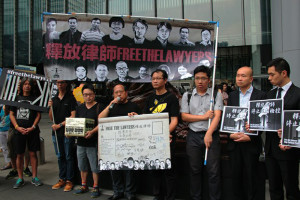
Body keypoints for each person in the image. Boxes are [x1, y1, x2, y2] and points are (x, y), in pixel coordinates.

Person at [181, 66, 223, 200]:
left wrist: (209, 133)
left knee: (213, 171)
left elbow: (217, 116)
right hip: (193, 135)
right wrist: (204, 117)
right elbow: (185, 117)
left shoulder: (216, 94)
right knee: (194, 170)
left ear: (209, 80)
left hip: (211, 135)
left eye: (203, 78)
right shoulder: (187, 95)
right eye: (197, 78)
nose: (200, 81)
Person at [227, 66, 265, 200]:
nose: (239, 78)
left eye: (243, 76)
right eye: (238, 75)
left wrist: (253, 133)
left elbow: (265, 120)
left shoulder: (260, 95)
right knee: (236, 178)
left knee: (251, 178)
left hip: (251, 143)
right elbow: (228, 119)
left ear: (251, 79)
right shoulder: (232, 95)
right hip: (235, 142)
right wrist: (230, 134)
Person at [264, 58, 300, 200]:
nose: (269, 78)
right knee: (274, 188)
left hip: (289, 149)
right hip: (271, 149)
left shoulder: (297, 94)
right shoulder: (270, 95)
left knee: (291, 188)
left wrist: (291, 138)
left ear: (283, 73)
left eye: (272, 74)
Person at [98, 84, 141, 200]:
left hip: (130, 143)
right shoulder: (112, 107)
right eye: (116, 92)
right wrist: (110, 105)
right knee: (115, 169)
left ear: (126, 93)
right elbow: (100, 119)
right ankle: (118, 192)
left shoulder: (133, 106)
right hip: (114, 144)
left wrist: (135, 117)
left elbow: (141, 123)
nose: (118, 94)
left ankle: (130, 193)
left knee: (129, 170)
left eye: (121, 92)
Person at [143, 69, 179, 200]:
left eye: (158, 78)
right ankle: (157, 195)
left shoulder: (171, 98)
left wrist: (164, 134)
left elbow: (174, 120)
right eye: (153, 78)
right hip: (153, 140)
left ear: (165, 80)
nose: (155, 81)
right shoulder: (150, 98)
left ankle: (170, 197)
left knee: (169, 171)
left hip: (167, 139)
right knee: (155, 169)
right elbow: (146, 118)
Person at [9, 78, 42, 189]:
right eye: (25, 84)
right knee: (19, 154)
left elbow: (38, 115)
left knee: (33, 154)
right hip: (19, 131)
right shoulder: (15, 98)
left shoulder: (35, 99)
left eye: (29, 84)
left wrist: (33, 127)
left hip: (32, 131)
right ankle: (20, 178)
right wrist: (17, 127)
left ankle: (34, 177)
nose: (27, 86)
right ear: (22, 85)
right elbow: (11, 114)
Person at [73, 83, 105, 198]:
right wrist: (70, 132)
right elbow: (76, 123)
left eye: (90, 94)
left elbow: (102, 123)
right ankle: (83, 185)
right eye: (85, 95)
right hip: (81, 142)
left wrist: (92, 132)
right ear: (82, 95)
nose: (88, 97)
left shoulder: (99, 107)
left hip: (93, 142)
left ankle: (96, 186)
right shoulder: (80, 108)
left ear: (94, 94)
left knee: (94, 166)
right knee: (82, 165)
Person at [48, 80, 77, 192]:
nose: (60, 84)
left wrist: (60, 125)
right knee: (60, 156)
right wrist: (50, 107)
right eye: (58, 82)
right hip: (55, 133)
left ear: (66, 84)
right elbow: (51, 118)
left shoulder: (71, 98)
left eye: (62, 82)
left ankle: (70, 180)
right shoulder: (54, 100)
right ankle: (62, 178)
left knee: (69, 156)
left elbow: (73, 116)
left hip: (67, 132)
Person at [0, 105, 12, 170]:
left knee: (12, 147)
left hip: (9, 129)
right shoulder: (0, 108)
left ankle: (15, 163)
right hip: (1, 129)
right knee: (4, 148)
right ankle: (8, 163)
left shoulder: (10, 106)